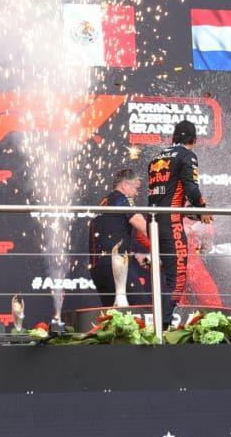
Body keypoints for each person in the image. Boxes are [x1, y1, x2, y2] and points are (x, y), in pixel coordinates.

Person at [147, 119, 211, 325]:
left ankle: (159, 326)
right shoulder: (187, 156)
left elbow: (167, 197)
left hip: (154, 224)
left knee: (168, 277)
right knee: (177, 279)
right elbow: (191, 190)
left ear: (173, 137)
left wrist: (193, 212)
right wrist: (202, 209)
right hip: (171, 224)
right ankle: (161, 329)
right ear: (194, 140)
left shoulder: (157, 158)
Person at [87, 168, 150, 308]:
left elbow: (110, 235)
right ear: (125, 185)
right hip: (116, 266)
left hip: (98, 267)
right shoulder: (122, 199)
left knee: (114, 312)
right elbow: (144, 227)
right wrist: (167, 238)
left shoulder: (105, 201)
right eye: (136, 188)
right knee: (141, 308)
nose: (136, 193)